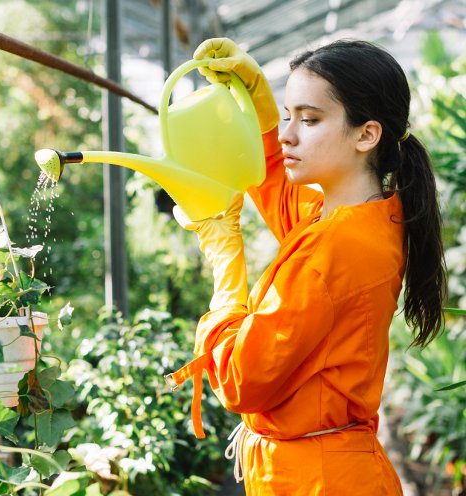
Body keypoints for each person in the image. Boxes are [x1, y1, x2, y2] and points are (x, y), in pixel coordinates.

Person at [166, 38, 447, 495]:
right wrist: (256, 100)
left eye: (309, 120)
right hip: (328, 469)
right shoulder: (363, 216)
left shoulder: (335, 245)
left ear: (366, 134)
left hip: (317, 480)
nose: (287, 134)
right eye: (287, 115)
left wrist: (224, 255)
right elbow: (278, 187)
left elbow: (240, 378)